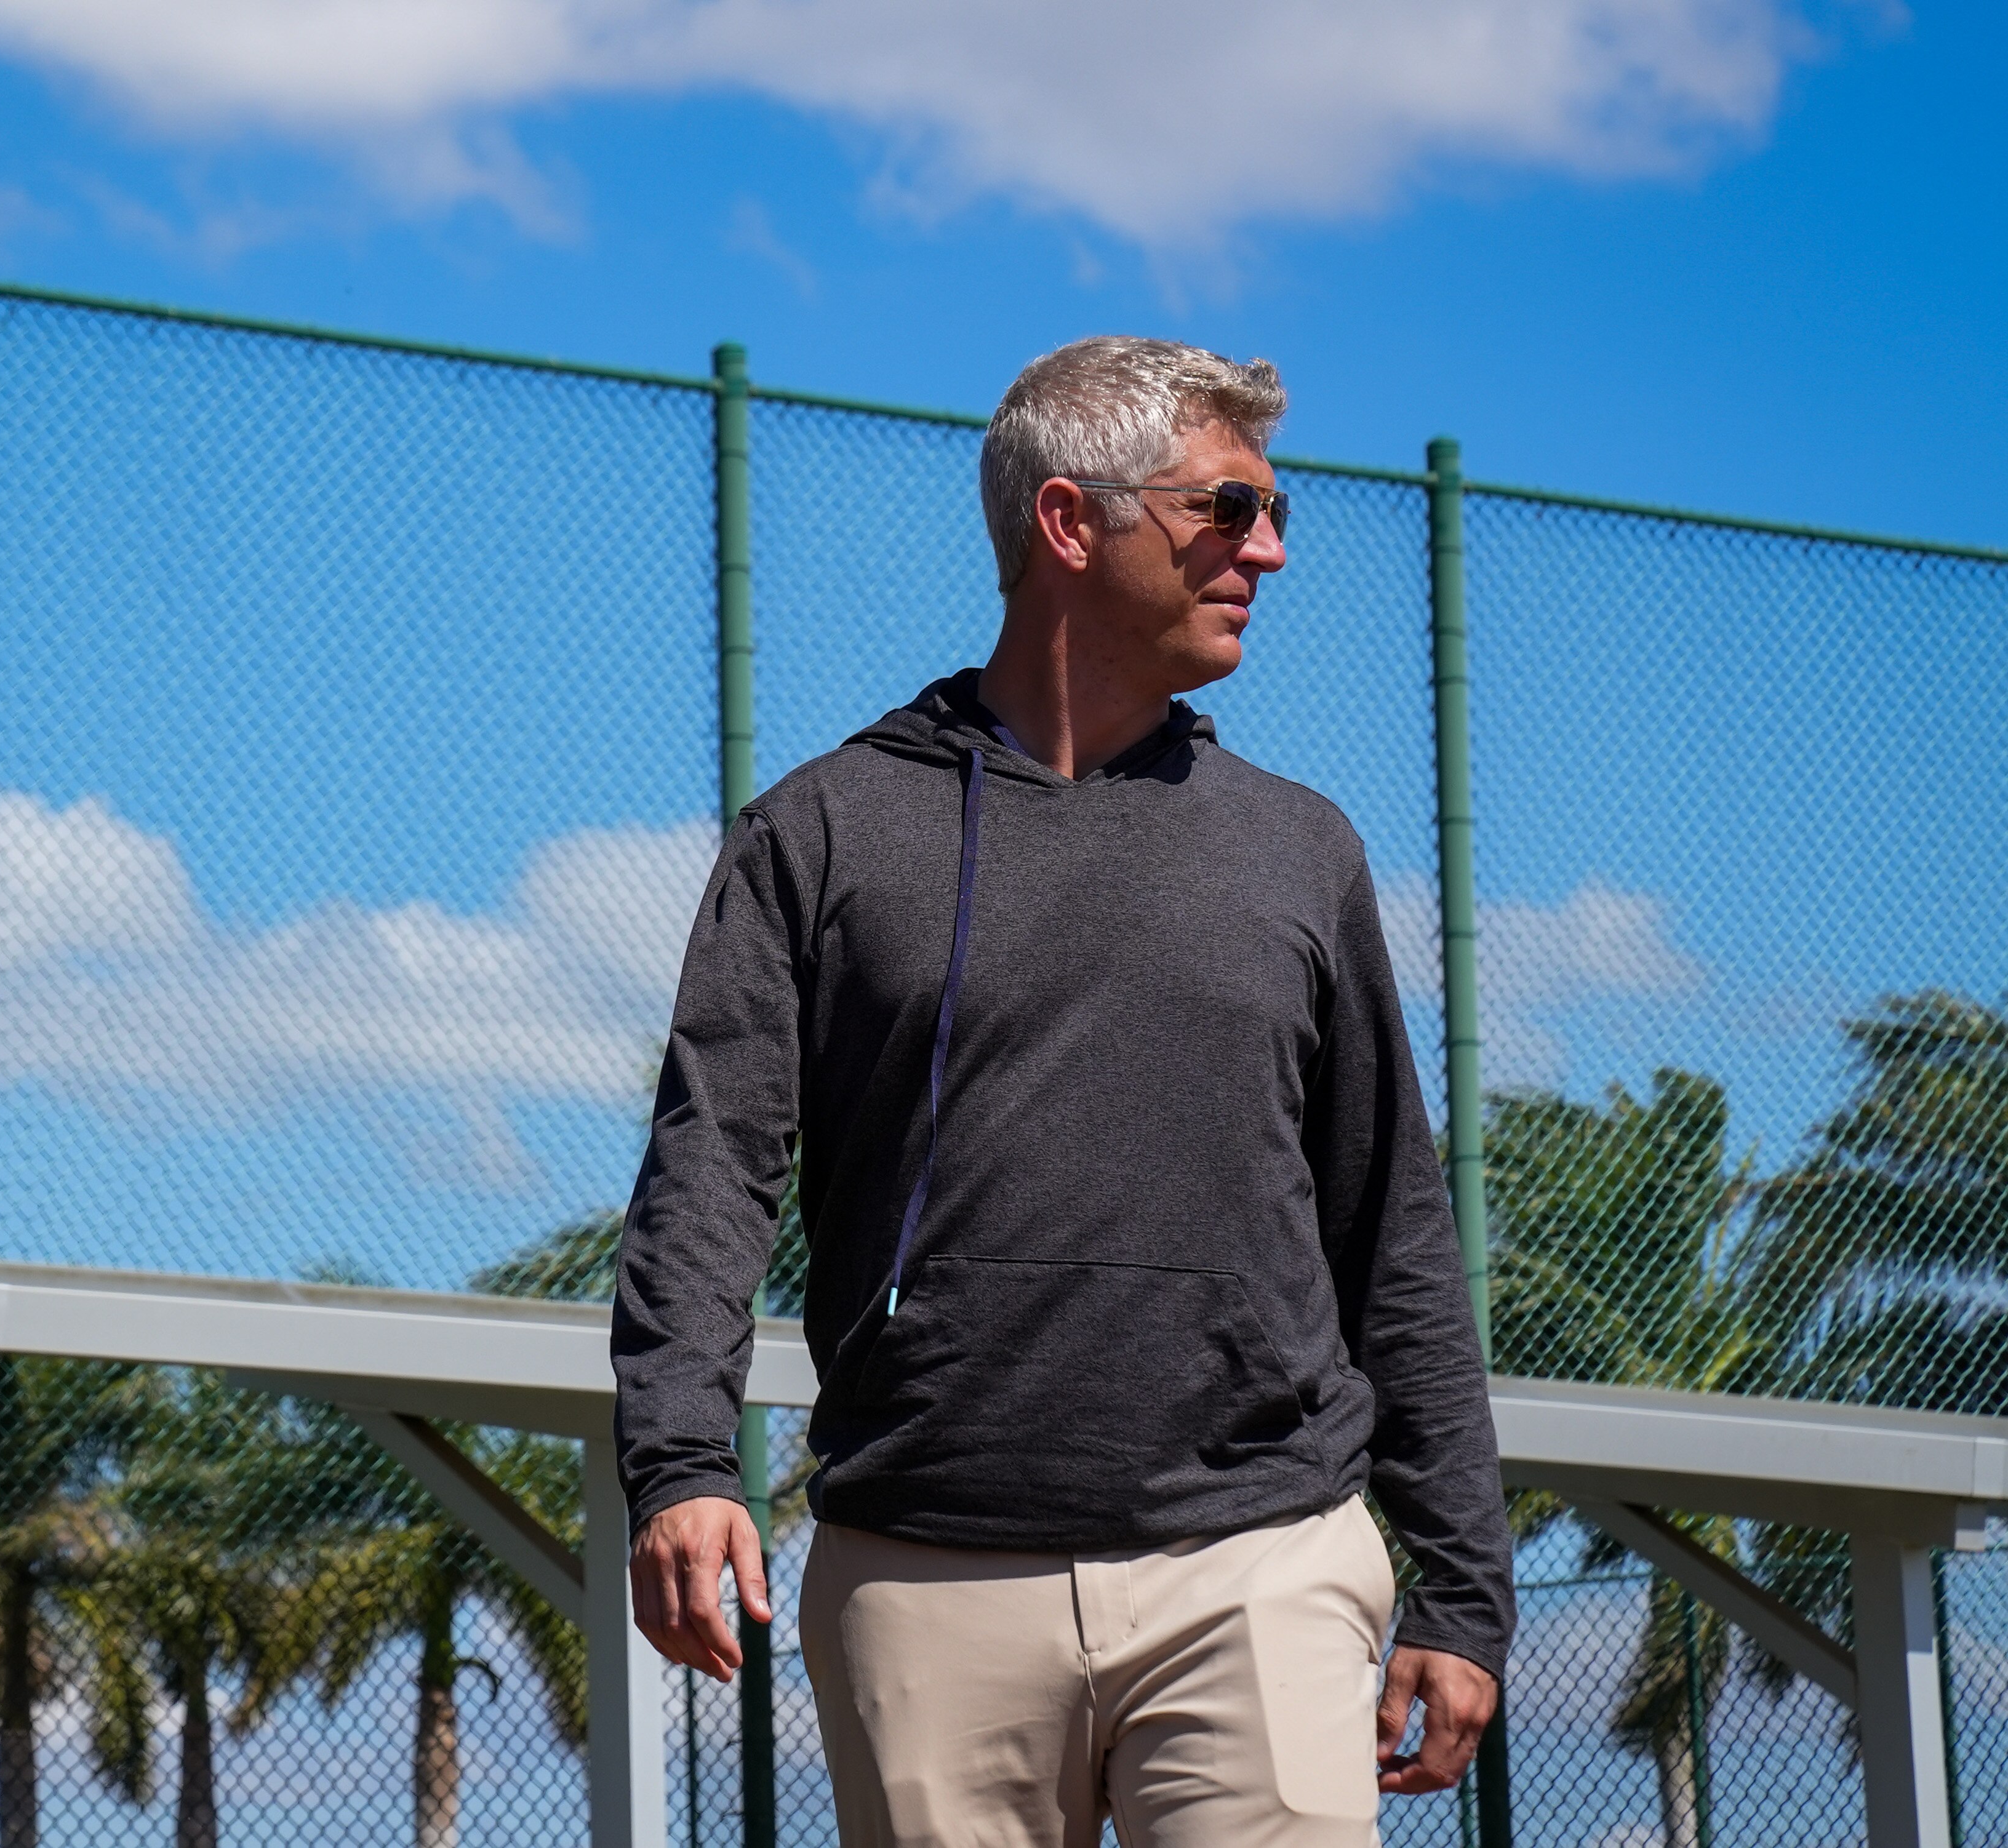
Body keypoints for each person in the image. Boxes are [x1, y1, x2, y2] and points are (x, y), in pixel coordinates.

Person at [610, 336, 1513, 1847]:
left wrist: (1464, 1583)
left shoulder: (1303, 850)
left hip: (1264, 1566)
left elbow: (1393, 1231)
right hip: (925, 1575)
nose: (1269, 551)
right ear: (1070, 522)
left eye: (1274, 510)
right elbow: (712, 1165)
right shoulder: (822, 835)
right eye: (1227, 509)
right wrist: (682, 1460)